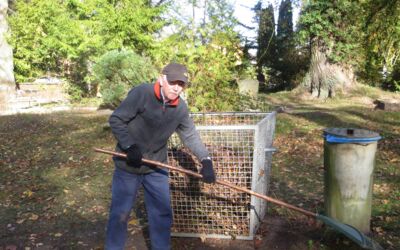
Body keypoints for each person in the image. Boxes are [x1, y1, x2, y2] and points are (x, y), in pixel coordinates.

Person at [106, 63, 216, 250]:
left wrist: (206, 160)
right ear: (161, 78)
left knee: (162, 213)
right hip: (128, 165)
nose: (177, 88)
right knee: (120, 213)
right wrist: (129, 146)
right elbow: (116, 119)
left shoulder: (180, 108)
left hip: (156, 167)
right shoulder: (142, 93)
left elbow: (190, 135)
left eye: (181, 84)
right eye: (173, 82)